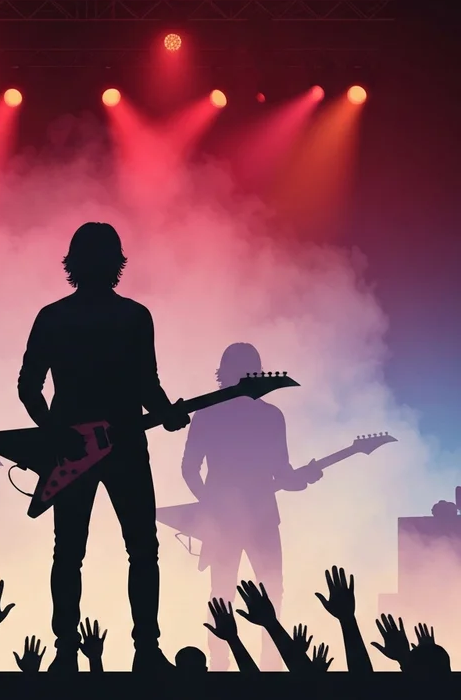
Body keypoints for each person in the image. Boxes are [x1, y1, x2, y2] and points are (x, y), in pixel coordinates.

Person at [17, 222, 190, 673]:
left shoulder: (54, 317)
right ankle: (145, 651)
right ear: (118, 263)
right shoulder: (134, 316)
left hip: (83, 449)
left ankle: (67, 653)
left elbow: (29, 388)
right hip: (127, 448)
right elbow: (146, 385)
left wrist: (55, 432)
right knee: (141, 550)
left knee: (69, 553)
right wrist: (167, 412)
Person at [181, 342, 322, 671]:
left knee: (237, 592)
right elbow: (283, 474)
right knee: (245, 592)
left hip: (250, 518)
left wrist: (304, 477)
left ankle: (243, 664)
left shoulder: (259, 416)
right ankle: (251, 665)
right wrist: (214, 508)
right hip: (249, 518)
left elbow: (281, 473)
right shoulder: (257, 415)